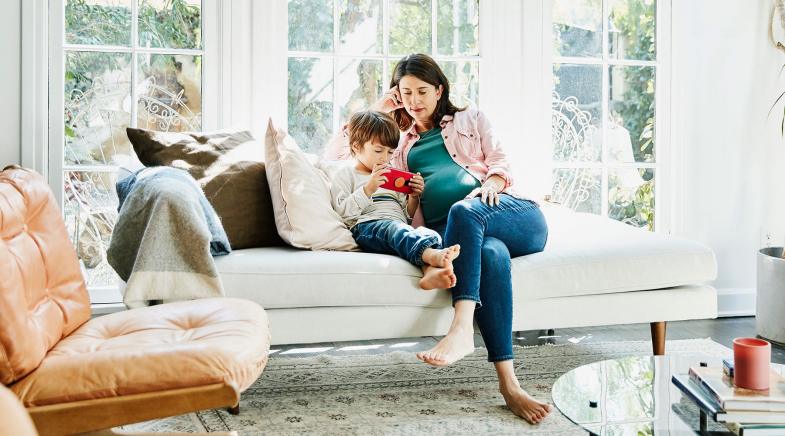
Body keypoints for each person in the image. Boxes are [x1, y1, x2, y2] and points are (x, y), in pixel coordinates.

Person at [325, 54, 552, 425]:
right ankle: (510, 385)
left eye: (422, 91)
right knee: (491, 256)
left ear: (440, 89)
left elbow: (500, 159)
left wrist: (492, 183)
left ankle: (461, 329)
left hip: (503, 211)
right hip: (459, 234)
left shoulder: (470, 118)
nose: (414, 100)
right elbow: (338, 152)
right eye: (406, 93)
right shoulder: (399, 143)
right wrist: (380, 107)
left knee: (464, 210)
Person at [330, 110, 461, 290]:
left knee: (425, 233)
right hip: (368, 227)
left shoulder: (393, 176)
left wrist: (414, 196)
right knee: (396, 230)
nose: (385, 158)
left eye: (390, 152)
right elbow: (343, 213)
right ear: (356, 147)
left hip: (396, 225)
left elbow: (405, 216)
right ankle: (434, 256)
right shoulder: (347, 175)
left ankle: (430, 271)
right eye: (378, 150)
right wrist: (369, 188)